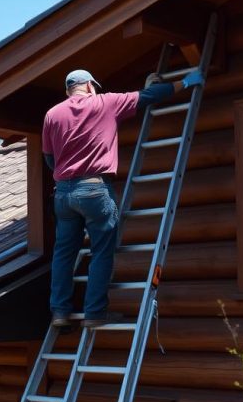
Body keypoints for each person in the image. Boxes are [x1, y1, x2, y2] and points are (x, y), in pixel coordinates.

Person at [41, 68, 203, 328]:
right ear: (91, 86)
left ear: (68, 90)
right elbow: (148, 95)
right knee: (101, 251)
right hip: (94, 189)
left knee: (63, 255)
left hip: (63, 193)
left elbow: (50, 158)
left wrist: (68, 171)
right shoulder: (107, 102)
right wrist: (184, 82)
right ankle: (94, 313)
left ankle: (60, 312)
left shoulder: (52, 114)